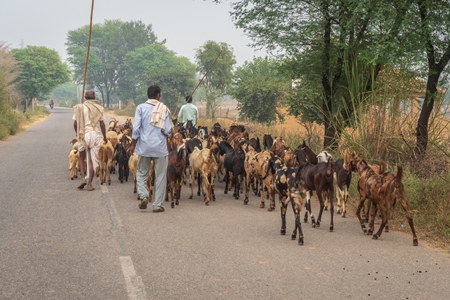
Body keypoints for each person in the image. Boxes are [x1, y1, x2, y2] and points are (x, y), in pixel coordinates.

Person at [128, 85, 173, 212]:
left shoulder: (141, 108)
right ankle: (157, 205)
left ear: (148, 95)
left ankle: (144, 196)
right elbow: (168, 132)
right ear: (158, 95)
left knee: (141, 173)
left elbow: (136, 128)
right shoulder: (164, 109)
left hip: (144, 147)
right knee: (160, 176)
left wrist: (133, 144)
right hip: (160, 148)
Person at [73, 90, 107, 191]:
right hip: (95, 135)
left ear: (85, 97)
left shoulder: (79, 107)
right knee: (92, 160)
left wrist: (77, 133)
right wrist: (104, 137)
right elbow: (102, 124)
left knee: (81, 157)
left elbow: (75, 123)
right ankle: (90, 184)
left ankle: (83, 178)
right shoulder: (99, 108)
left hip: (83, 135)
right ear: (94, 97)